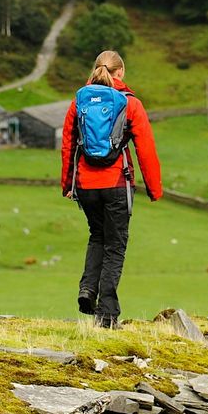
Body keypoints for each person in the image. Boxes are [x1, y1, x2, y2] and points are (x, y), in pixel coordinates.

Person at [61, 50, 162, 328]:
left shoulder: (78, 102)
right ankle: (106, 314)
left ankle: (87, 289)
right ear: (121, 73)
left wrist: (66, 184)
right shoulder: (130, 104)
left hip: (85, 185)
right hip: (117, 184)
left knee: (97, 236)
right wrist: (154, 188)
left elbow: (68, 144)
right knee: (115, 246)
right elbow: (146, 149)